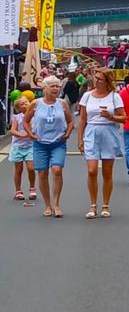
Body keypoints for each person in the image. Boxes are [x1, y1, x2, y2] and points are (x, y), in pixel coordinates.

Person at [78, 67, 127, 219]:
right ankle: (93, 205)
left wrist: (111, 117)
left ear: (107, 81)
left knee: (107, 172)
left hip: (108, 132)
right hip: (91, 131)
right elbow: (82, 120)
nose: (96, 81)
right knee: (92, 170)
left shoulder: (115, 97)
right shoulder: (87, 96)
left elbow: (124, 117)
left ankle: (105, 204)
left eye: (100, 79)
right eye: (96, 78)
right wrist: (80, 139)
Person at [23, 76, 74, 218]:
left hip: (58, 142)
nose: (55, 89)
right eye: (52, 86)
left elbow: (70, 121)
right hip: (40, 143)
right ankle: (48, 205)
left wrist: (68, 133)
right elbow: (26, 121)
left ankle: (56, 204)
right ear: (44, 88)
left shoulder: (62, 103)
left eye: (57, 86)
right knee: (43, 173)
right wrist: (31, 134)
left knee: (57, 170)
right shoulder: (35, 104)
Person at [9, 97, 36, 201]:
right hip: (18, 146)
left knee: (31, 168)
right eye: (22, 104)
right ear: (18, 108)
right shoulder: (17, 117)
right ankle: (18, 191)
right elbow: (12, 130)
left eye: (26, 102)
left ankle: (32, 188)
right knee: (18, 170)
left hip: (30, 146)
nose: (25, 104)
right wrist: (21, 135)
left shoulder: (34, 116)